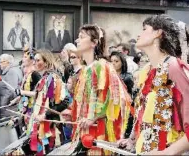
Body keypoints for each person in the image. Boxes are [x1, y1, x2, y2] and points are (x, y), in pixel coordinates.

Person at [118, 14, 189, 155]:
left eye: (144, 29)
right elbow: (143, 115)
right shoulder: (146, 71)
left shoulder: (174, 67)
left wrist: (168, 152)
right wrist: (132, 140)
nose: (139, 34)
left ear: (158, 33)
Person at [70, 24, 131, 155]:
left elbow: (116, 100)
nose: (77, 40)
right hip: (85, 132)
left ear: (94, 42)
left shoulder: (103, 66)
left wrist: (94, 118)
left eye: (81, 37)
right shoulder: (85, 70)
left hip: (99, 133)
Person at [15, 49, 69, 154]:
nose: (34, 62)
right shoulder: (42, 79)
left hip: (50, 127)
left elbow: (66, 101)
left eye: (38, 60)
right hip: (40, 126)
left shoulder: (54, 78)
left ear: (46, 63)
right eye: (34, 60)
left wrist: (45, 114)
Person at [110, 51, 135, 139]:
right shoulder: (108, 76)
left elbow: (131, 95)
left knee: (121, 131)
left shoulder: (127, 77)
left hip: (124, 108)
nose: (113, 63)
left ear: (122, 62)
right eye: (112, 61)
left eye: (116, 61)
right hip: (111, 107)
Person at [0, 54, 23, 118]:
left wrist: (3, 105)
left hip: (9, 108)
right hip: (11, 107)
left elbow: (12, 91)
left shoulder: (11, 72)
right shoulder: (14, 70)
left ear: (7, 62)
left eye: (1, 62)